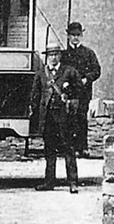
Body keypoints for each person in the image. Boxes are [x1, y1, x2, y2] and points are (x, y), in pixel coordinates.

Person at [32, 42, 83, 194]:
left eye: (56, 55)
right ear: (46, 57)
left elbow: (80, 90)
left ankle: (73, 182)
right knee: (49, 150)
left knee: (68, 148)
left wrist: (71, 97)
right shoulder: (41, 73)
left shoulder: (69, 72)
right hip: (47, 116)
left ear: (60, 56)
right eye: (50, 55)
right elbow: (35, 95)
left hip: (64, 116)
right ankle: (49, 182)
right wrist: (35, 113)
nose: (53, 58)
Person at [61, 22, 101, 158]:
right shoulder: (64, 54)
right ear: (68, 36)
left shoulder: (88, 53)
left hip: (83, 93)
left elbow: (97, 70)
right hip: (69, 93)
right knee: (69, 120)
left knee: (82, 119)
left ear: (82, 35)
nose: (75, 38)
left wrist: (86, 79)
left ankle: (83, 147)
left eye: (78, 35)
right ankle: (71, 148)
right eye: (73, 35)